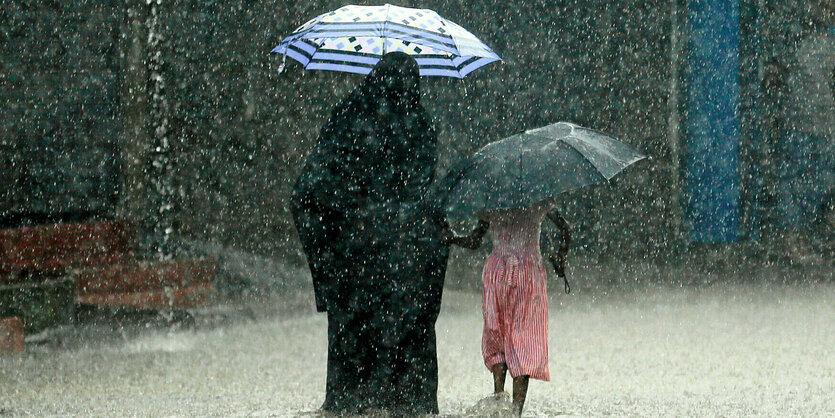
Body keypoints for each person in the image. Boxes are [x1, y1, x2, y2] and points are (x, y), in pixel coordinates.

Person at [290, 52, 450, 415]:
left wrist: (335, 246)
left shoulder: (347, 117)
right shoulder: (420, 123)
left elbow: (308, 192)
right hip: (408, 261)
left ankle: (353, 402)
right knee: (410, 349)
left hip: (356, 262)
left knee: (354, 348)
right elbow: (422, 190)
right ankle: (407, 404)